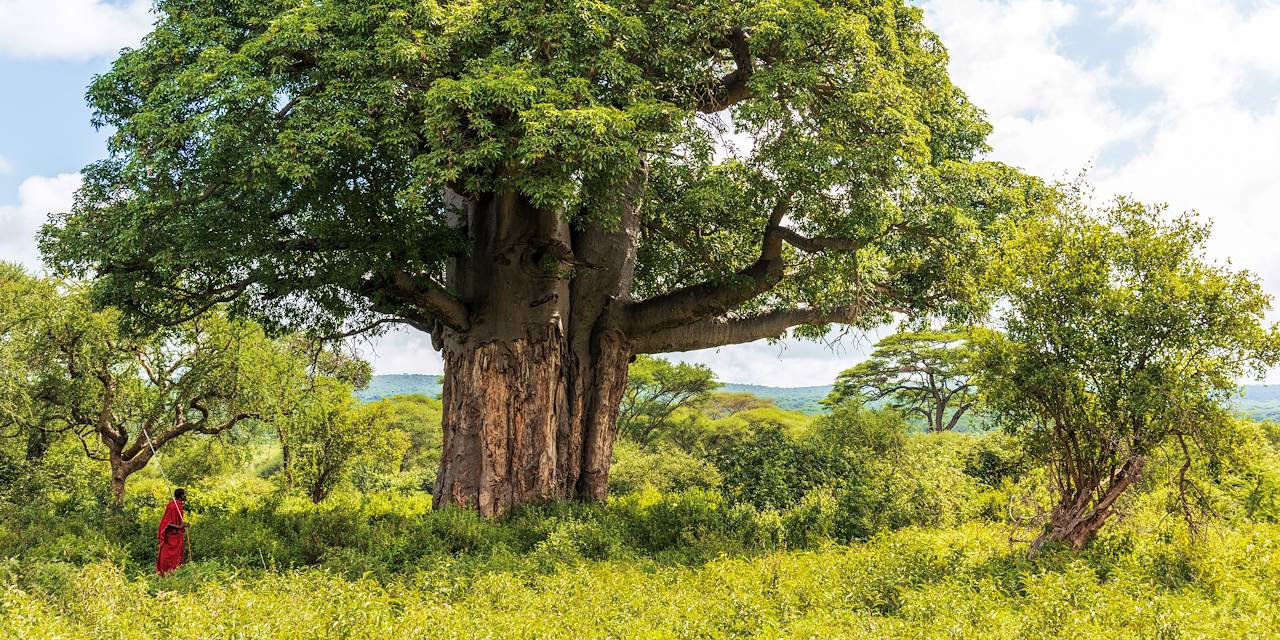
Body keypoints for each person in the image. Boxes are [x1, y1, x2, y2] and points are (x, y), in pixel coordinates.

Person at [156, 488, 189, 575]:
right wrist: (179, 526)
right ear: (181, 496)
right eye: (185, 494)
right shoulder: (172, 506)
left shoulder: (179, 506)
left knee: (177, 556)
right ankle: (164, 573)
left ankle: (175, 573)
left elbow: (176, 520)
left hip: (177, 535)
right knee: (167, 556)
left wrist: (183, 524)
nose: (186, 496)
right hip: (170, 537)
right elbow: (165, 522)